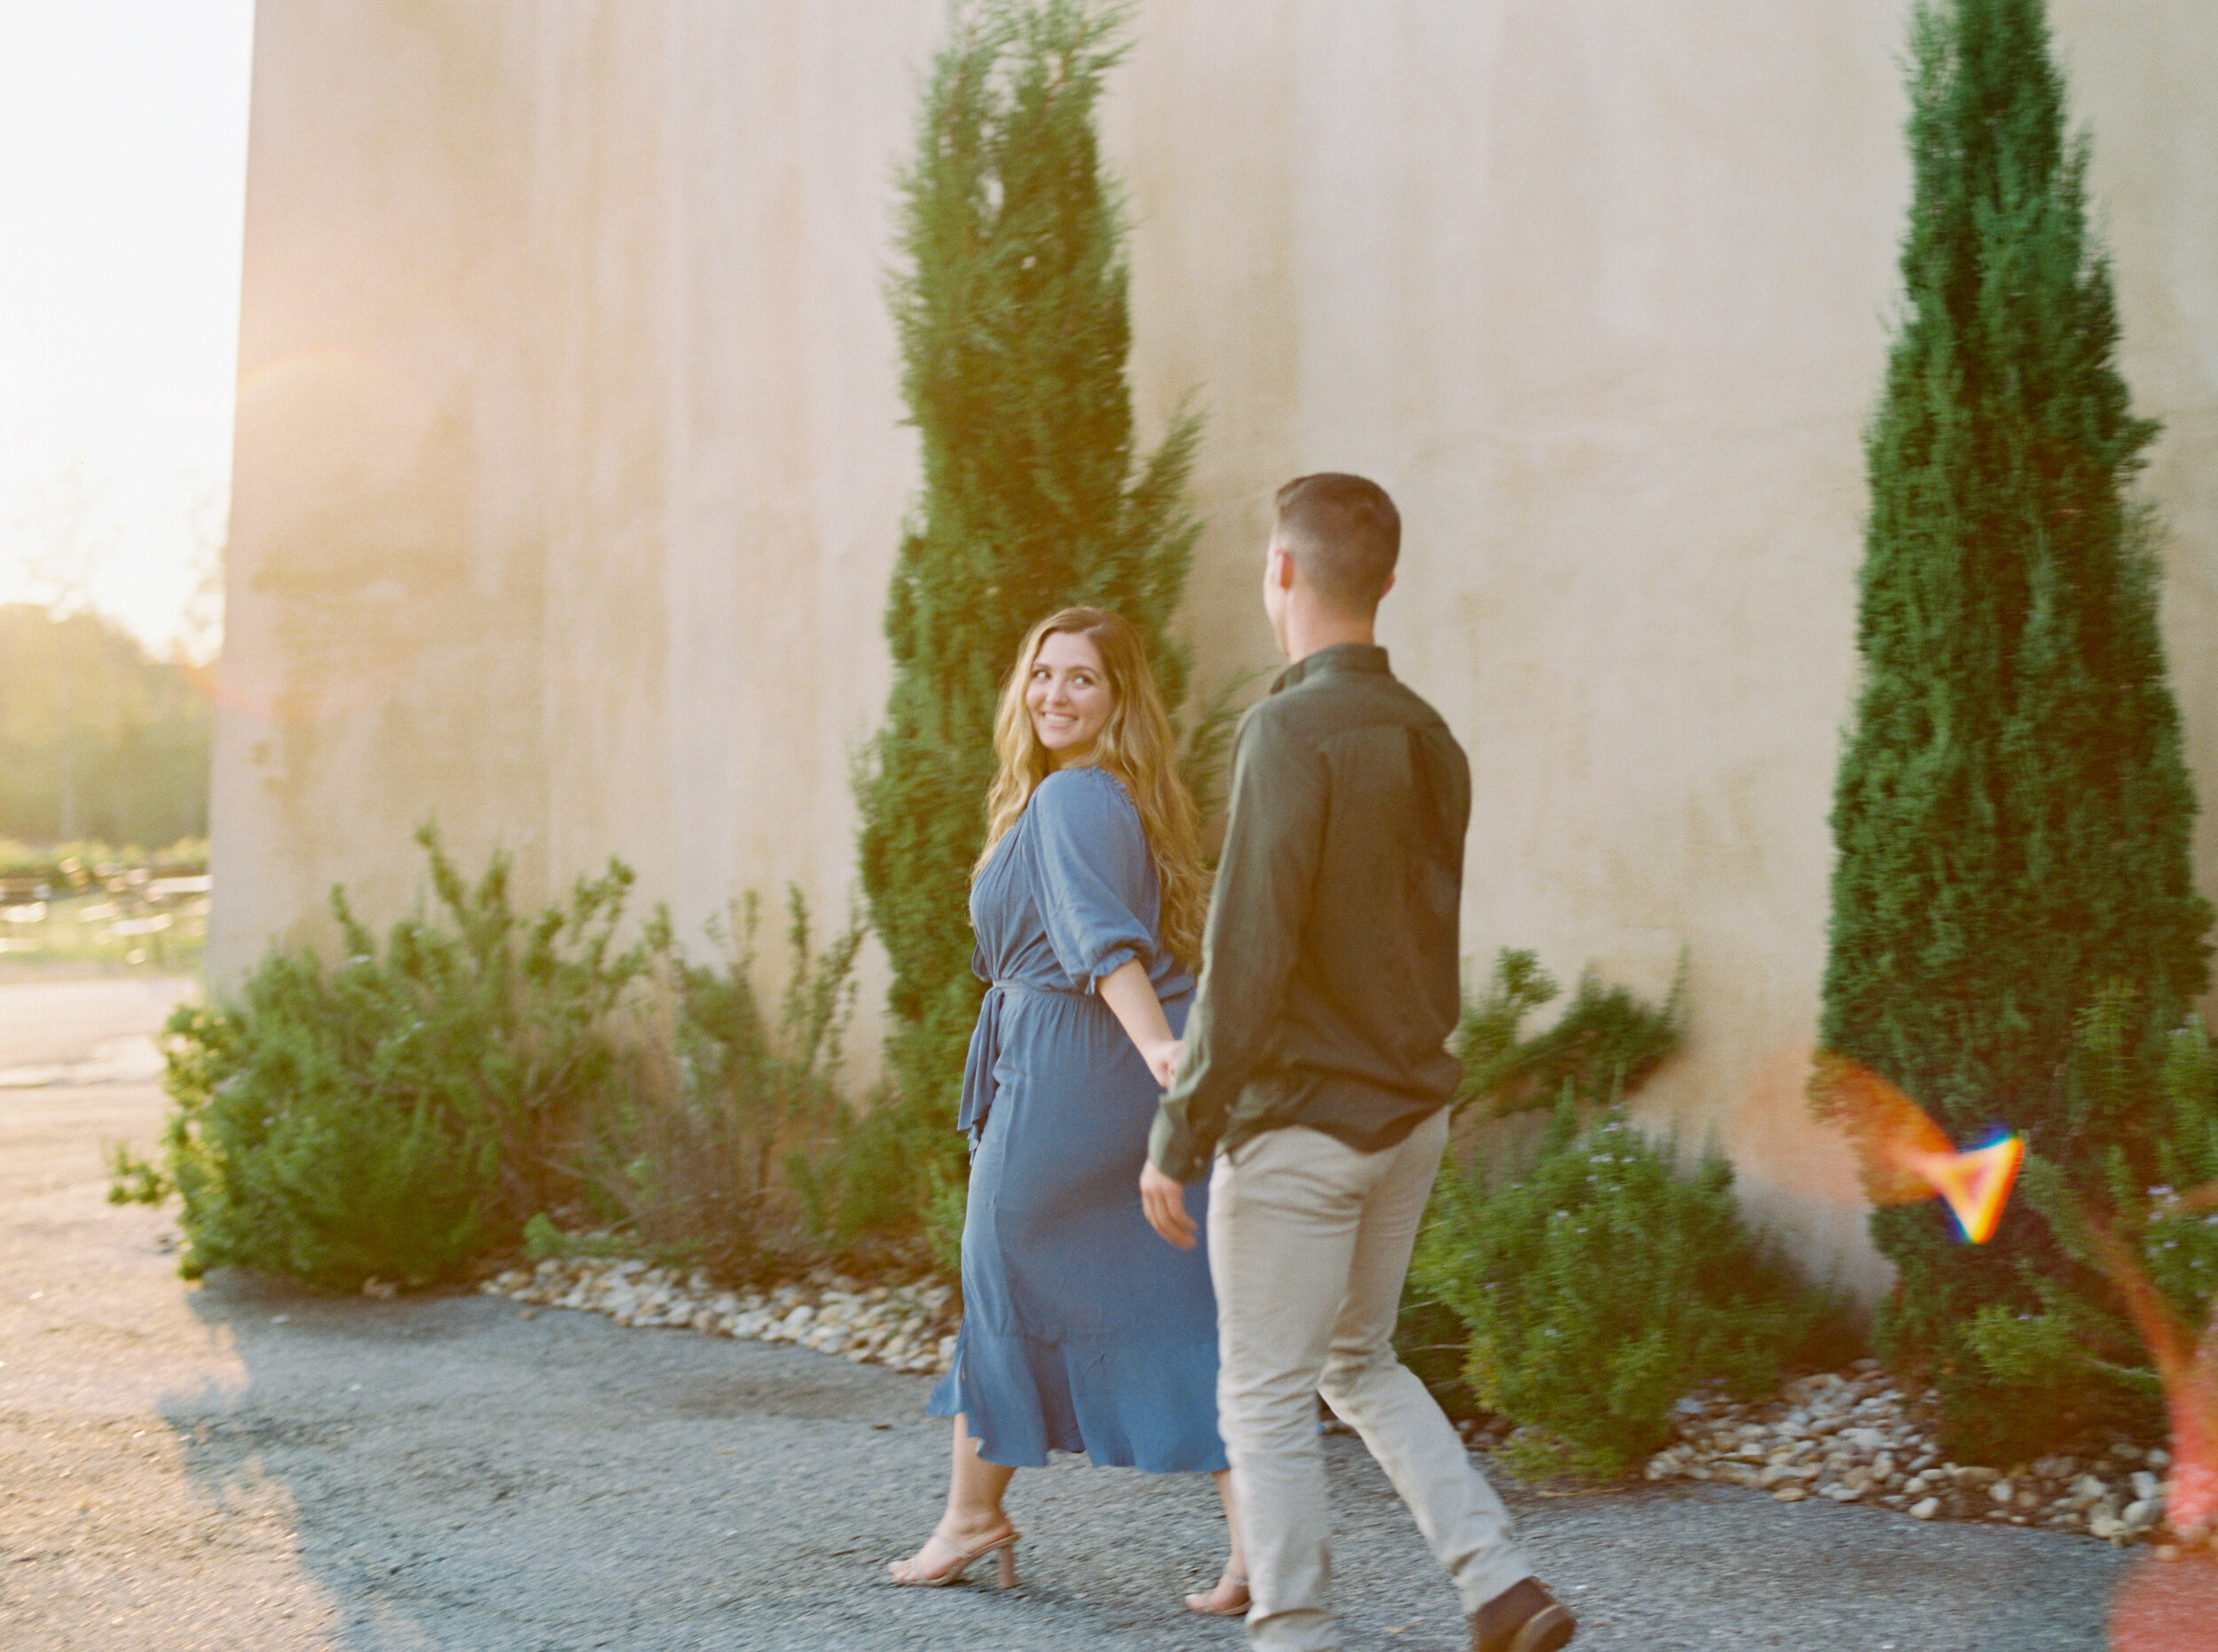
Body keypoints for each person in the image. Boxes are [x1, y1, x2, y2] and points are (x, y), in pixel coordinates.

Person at [1140, 476, 1577, 1652]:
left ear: (1279, 572)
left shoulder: (1286, 729)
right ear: (1386, 583)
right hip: (1409, 1116)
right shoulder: (1431, 736)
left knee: (1265, 1388)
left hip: (1301, 1129)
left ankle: (1294, 1628)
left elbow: (1248, 952)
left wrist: (1180, 1131)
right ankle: (1502, 1585)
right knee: (1359, 1357)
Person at [891, 605, 1248, 1614]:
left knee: (999, 1273)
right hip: (1089, 1063)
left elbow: (1104, 942)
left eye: (1081, 678)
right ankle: (1259, 1546)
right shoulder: (1098, 795)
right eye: (1041, 672)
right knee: (1182, 1299)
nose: (1054, 693)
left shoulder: (1076, 796)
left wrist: (1161, 1052)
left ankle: (971, 1516)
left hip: (1071, 1070)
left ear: (1119, 698)